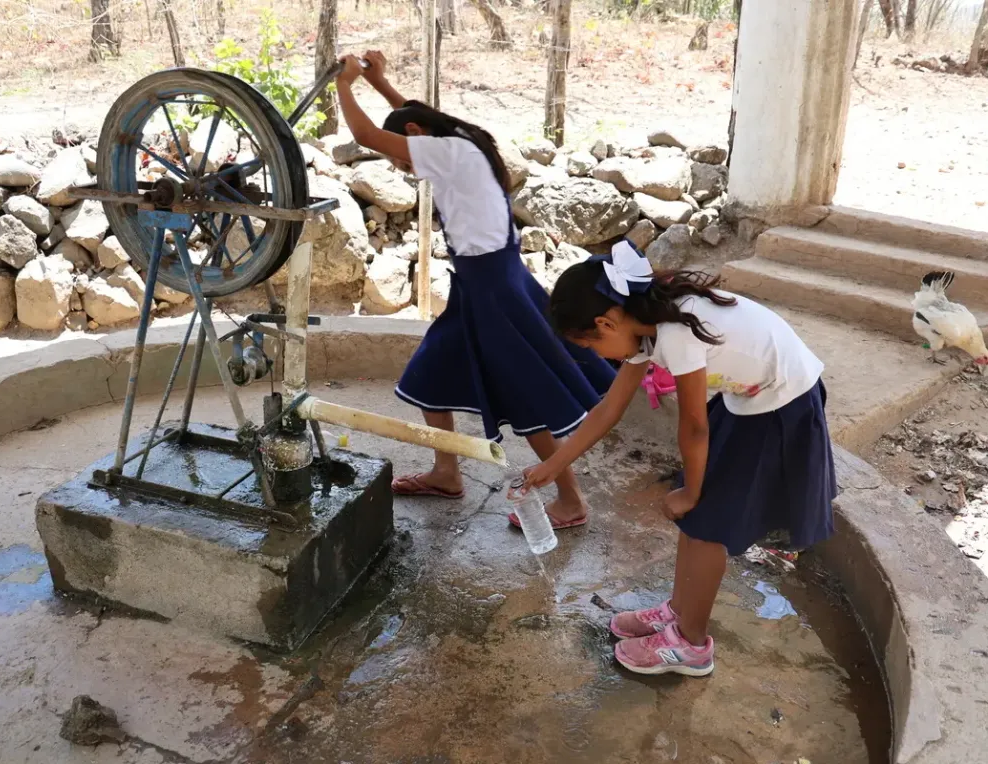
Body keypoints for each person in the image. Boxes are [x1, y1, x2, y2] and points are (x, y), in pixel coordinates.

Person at [522, 242, 835, 676]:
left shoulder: (675, 333)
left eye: (592, 345)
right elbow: (608, 409)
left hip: (782, 406)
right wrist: (553, 466)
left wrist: (692, 489)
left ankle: (692, 647)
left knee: (707, 524)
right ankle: (680, 612)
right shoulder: (642, 318)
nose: (598, 355)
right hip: (750, 398)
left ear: (605, 321)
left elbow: (693, 425)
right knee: (697, 518)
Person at [334, 51, 616, 528]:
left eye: (398, 156)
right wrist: (380, 84)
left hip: (494, 290)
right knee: (430, 375)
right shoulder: (456, 139)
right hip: (481, 281)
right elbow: (414, 118)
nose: (401, 166)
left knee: (528, 397)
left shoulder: (445, 150)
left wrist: (343, 85)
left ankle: (570, 500)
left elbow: (365, 135)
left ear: (416, 138)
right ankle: (447, 474)